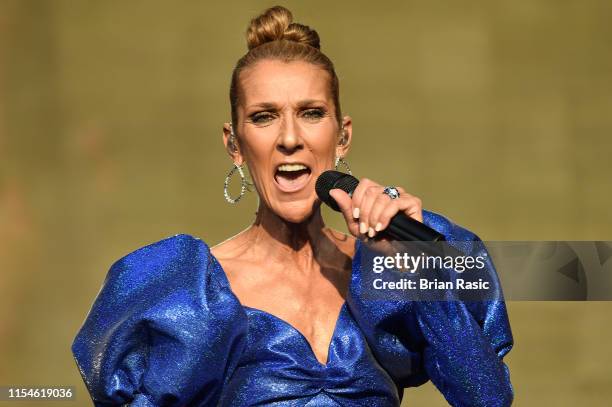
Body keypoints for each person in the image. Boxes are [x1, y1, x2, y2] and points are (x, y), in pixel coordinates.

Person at [72, 6, 513, 406]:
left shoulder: (386, 270)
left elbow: (489, 400)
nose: (289, 138)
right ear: (235, 145)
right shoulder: (191, 289)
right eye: (264, 116)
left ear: (342, 136)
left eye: (311, 113)